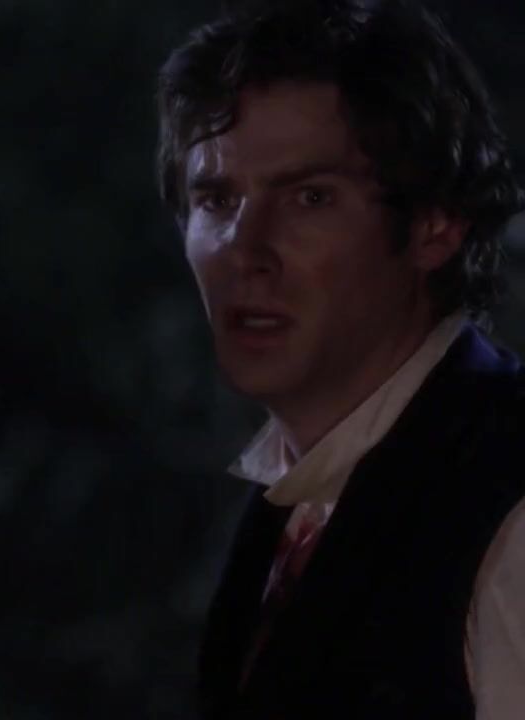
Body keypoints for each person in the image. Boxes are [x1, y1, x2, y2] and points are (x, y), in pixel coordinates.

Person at [156, 1, 525, 717]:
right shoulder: (290, 504)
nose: (244, 250)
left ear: (435, 224)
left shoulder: (507, 500)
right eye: (217, 199)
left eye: (309, 197)